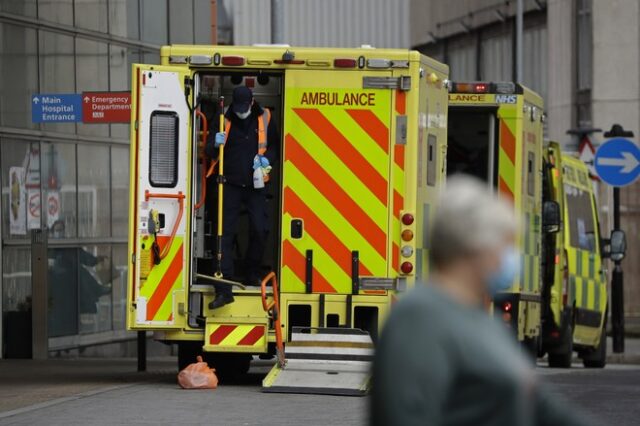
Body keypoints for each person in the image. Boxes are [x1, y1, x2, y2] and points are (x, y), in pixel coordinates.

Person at [371, 175, 596, 426]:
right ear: (476, 249)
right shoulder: (420, 319)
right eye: (506, 245)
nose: (512, 256)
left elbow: (538, 405)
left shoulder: (483, 320)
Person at [205, 86, 280, 309]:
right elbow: (209, 151)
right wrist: (215, 144)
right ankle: (224, 288)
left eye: (243, 108)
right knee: (224, 235)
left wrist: (267, 162)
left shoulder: (265, 117)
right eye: (237, 108)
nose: (240, 112)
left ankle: (251, 271)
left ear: (252, 102)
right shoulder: (223, 119)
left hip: (256, 185)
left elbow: (274, 146)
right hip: (229, 184)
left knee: (260, 229)